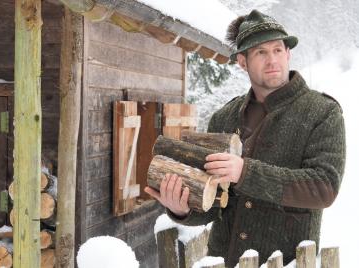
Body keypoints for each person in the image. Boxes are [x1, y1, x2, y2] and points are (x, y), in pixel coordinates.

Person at [145, 9, 346, 267]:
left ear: (288, 54)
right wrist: (183, 209)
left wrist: (245, 173)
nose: (272, 59)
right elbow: (214, 205)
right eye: (261, 52)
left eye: (277, 50)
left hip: (284, 261)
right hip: (226, 260)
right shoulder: (223, 118)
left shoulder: (323, 112)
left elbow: (324, 187)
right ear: (242, 62)